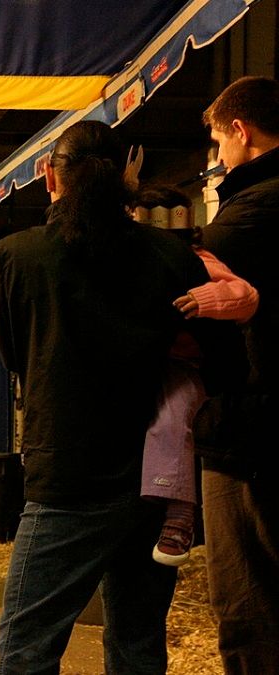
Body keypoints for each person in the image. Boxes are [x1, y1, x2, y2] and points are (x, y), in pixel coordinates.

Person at [0, 120, 214, 672]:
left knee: (26, 645)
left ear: (49, 177)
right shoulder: (171, 255)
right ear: (127, 181)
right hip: (155, 478)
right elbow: (206, 352)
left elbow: (16, 357)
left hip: (66, 474)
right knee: (137, 640)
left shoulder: (18, 254)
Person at [197, 76, 279, 672]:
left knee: (247, 598)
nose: (218, 160)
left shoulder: (251, 211)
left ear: (240, 132)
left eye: (220, 144)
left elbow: (176, 287)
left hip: (254, 430)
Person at [130, 186, 257, 567]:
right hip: (137, 365)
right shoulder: (124, 259)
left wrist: (206, 300)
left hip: (181, 368)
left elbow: (245, 295)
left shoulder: (197, 259)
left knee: (172, 420)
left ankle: (179, 515)